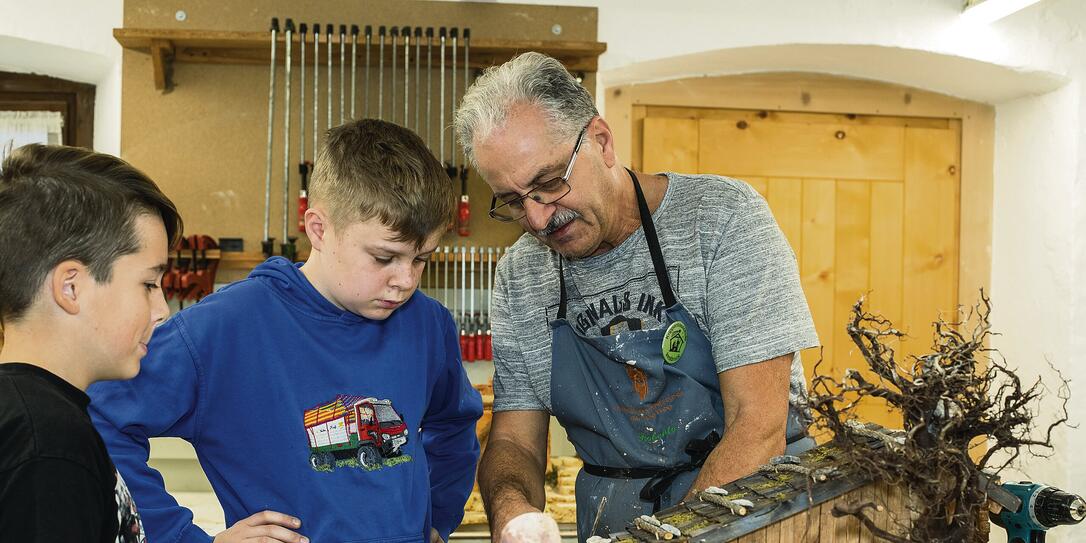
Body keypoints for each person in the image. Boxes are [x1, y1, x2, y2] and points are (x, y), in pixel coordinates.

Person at [454, 52, 820, 541]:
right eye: (515, 201)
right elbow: (516, 441)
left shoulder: (721, 222)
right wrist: (513, 513)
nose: (539, 219)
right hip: (614, 519)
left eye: (549, 183)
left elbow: (758, 427)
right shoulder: (522, 275)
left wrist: (677, 535)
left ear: (601, 142)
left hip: (755, 513)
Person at [89, 119, 483, 543]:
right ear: (318, 230)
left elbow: (454, 426)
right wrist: (182, 538)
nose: (406, 280)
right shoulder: (224, 329)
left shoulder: (428, 325)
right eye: (384, 257)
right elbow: (99, 419)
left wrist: (439, 518)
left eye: (421, 259)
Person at [0, 144, 183, 542]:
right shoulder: (47, 446)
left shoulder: (33, 420)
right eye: (149, 284)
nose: (162, 310)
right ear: (72, 287)